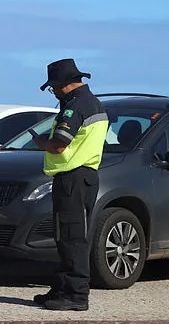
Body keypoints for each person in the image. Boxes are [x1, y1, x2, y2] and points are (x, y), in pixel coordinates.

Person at [32, 58, 108, 311]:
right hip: (82, 177)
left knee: (71, 237)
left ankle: (75, 294)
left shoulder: (74, 107)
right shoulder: (92, 102)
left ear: (64, 84)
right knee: (67, 235)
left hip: (73, 177)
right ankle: (63, 287)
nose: (53, 91)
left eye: (53, 87)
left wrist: (42, 142)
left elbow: (59, 144)